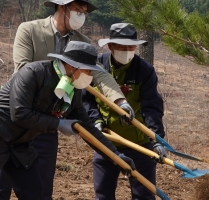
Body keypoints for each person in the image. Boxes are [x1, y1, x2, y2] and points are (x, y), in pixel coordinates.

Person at [0, 41, 136, 200]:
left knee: (34, 192)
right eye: (88, 71)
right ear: (73, 66)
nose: (90, 76)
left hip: (20, 145)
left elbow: (87, 127)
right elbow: (20, 113)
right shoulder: (33, 73)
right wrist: (59, 124)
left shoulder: (73, 90)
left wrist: (115, 155)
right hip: (2, 134)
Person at [0, 0, 99, 199]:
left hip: (40, 130)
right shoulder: (29, 31)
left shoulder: (82, 43)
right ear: (62, 7)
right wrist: (59, 120)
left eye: (84, 12)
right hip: (12, 122)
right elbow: (23, 72)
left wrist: (114, 153)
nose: (82, 16)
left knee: (39, 190)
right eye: (78, 11)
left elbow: (99, 80)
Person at [85, 23, 168, 200]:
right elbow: (86, 99)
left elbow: (152, 107)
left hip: (138, 144)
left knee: (143, 195)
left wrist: (157, 138)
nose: (128, 51)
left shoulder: (144, 70)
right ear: (111, 46)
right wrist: (95, 121)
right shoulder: (96, 66)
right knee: (103, 194)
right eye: (122, 47)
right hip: (107, 141)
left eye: (131, 47)